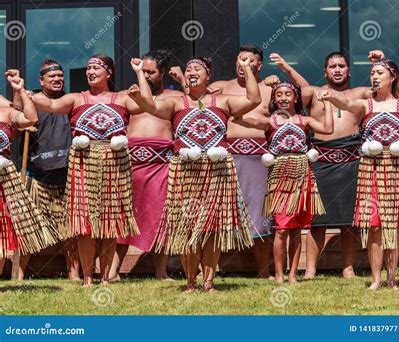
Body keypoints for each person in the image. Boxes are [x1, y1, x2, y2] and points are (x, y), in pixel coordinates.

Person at [128, 56, 261, 292]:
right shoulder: (176, 103)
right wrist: (139, 72)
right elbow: (150, 105)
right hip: (185, 171)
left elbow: (254, 98)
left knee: (212, 228)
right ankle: (190, 281)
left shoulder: (223, 101)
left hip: (216, 172)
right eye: (188, 68)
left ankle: (208, 282)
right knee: (187, 226)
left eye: (197, 68)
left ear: (207, 75)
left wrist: (248, 69)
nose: (191, 71)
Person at [31, 54, 142, 286]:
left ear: (108, 73)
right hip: (83, 164)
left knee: (109, 222)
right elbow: (49, 104)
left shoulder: (121, 99)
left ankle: (105, 278)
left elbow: (148, 105)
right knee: (84, 225)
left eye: (96, 68)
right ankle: (88, 277)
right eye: (88, 68)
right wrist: (22, 91)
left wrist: (140, 74)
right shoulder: (76, 99)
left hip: (114, 165)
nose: (90, 72)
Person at [320, 60, 399, 289]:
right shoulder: (365, 105)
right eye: (372, 73)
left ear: (392, 77)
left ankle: (391, 279)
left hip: (397, 168)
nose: (374, 76)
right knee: (375, 225)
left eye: (379, 72)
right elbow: (346, 102)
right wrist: (330, 96)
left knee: (392, 225)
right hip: (371, 168)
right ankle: (376, 279)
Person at [208, 46, 309, 279]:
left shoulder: (270, 88)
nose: (243, 64)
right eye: (240, 59)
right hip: (225, 156)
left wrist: (284, 70)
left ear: (259, 66)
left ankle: (264, 272)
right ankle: (209, 271)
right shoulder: (220, 87)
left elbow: (305, 92)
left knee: (260, 216)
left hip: (258, 158)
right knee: (218, 212)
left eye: (249, 61)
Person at [235, 81, 333, 283]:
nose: (283, 97)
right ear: (273, 99)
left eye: (288, 93)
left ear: (296, 98)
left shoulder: (304, 120)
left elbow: (328, 128)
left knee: (297, 228)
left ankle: (293, 275)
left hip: (302, 175)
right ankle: (279, 274)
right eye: (278, 94)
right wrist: (240, 107)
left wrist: (329, 103)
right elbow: (240, 119)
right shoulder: (269, 121)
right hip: (279, 176)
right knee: (281, 228)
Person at [303, 50, 384, 279]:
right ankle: (310, 269)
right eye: (332, 66)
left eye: (341, 66)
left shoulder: (358, 93)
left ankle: (348, 267)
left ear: (349, 70)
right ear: (325, 71)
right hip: (321, 159)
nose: (337, 69)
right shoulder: (315, 93)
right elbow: (286, 94)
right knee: (317, 220)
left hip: (351, 159)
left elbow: (381, 90)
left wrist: (378, 63)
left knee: (350, 220)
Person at [110, 50, 183, 281]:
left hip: (161, 164)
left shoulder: (175, 97)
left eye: (150, 72)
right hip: (130, 163)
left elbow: (201, 101)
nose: (147, 76)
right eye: (143, 72)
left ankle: (161, 272)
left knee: (161, 217)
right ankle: (112, 271)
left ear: (162, 72)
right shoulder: (127, 95)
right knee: (124, 217)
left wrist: (182, 80)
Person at [15, 60, 80, 281]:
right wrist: (18, 90)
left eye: (60, 76)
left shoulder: (70, 102)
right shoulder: (31, 100)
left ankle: (74, 275)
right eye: (51, 76)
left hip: (65, 175)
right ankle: (18, 275)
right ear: (41, 80)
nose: (57, 79)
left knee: (69, 229)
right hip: (36, 175)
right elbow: (17, 112)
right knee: (28, 225)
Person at [0, 75, 58, 258]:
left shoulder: (6, 112)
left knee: (2, 230)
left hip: (3, 180)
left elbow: (31, 118)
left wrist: (20, 91)